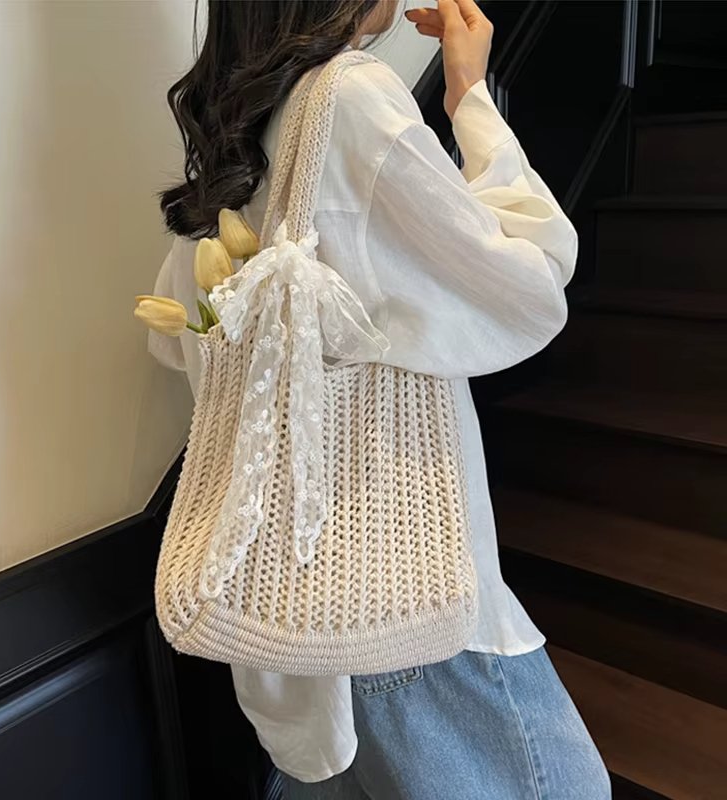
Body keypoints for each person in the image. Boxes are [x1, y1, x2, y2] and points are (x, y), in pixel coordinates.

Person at [147, 1, 612, 798]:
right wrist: (468, 93)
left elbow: (178, 344)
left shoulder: (234, 133)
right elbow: (529, 285)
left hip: (282, 616)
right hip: (398, 590)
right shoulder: (350, 96)